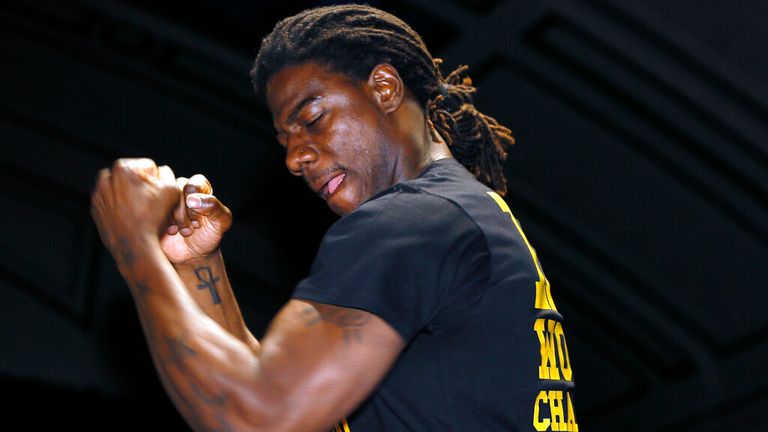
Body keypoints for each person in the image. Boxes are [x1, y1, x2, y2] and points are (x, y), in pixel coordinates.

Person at [90, 4, 577, 431]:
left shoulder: (409, 220)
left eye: (312, 117)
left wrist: (134, 244)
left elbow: (256, 419)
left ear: (384, 88)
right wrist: (199, 265)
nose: (294, 158)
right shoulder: (456, 214)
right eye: (284, 141)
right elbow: (284, 404)